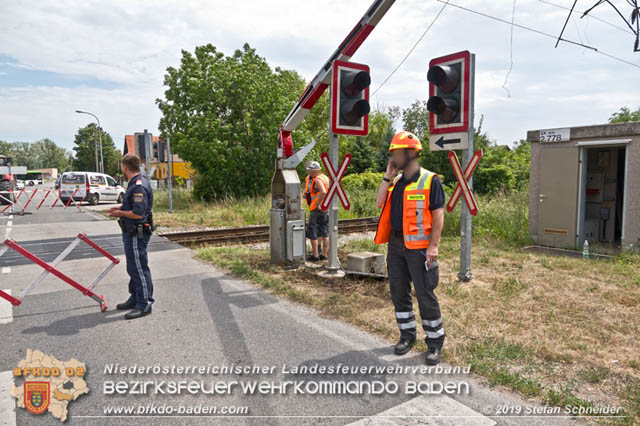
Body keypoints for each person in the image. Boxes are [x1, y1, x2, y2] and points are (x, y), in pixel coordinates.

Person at [374, 131, 446, 365]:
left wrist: (433, 246)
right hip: (396, 246)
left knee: (425, 294)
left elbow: (438, 215)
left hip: (420, 248)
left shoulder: (430, 180)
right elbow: (379, 203)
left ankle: (434, 342)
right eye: (392, 153)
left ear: (412, 153)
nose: (393, 156)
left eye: (397, 152)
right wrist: (387, 177)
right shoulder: (396, 182)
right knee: (398, 292)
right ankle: (407, 336)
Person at [108, 154, 155, 320]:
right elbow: (132, 206)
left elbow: (138, 213)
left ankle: (144, 304)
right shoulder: (134, 184)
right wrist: (120, 208)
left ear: (124, 167)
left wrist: (120, 213)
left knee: (139, 268)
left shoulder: (139, 186)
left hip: (137, 232)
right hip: (130, 231)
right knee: (133, 267)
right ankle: (135, 297)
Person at [303, 161, 330, 262]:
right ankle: (324, 255)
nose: (309, 172)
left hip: (316, 208)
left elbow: (323, 192)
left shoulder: (317, 179)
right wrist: (306, 195)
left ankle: (315, 255)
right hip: (324, 208)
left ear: (315, 171)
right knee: (324, 232)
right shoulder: (324, 177)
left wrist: (318, 203)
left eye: (310, 171)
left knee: (312, 232)